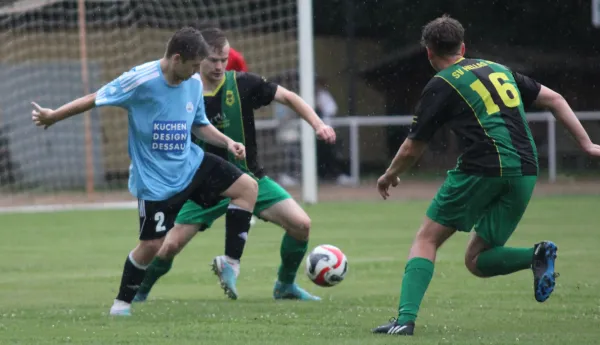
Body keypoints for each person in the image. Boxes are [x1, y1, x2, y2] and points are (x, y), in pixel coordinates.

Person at [372, 15, 600, 336]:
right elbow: (555, 99)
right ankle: (536, 256)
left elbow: (412, 147)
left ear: (428, 52)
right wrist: (587, 144)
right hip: (525, 169)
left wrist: (389, 176)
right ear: (463, 47)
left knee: (427, 238)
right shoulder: (497, 69)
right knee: (477, 260)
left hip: (484, 166)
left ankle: (404, 320)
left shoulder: (442, 83)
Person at [30, 27, 259, 316]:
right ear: (177, 59)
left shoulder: (192, 82)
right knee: (152, 245)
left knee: (247, 188)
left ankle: (230, 263)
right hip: (155, 181)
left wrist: (227, 142)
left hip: (191, 164)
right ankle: (121, 304)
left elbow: (198, 123)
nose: (194, 74)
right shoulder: (140, 80)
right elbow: (94, 98)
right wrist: (53, 116)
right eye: (191, 67)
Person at [133, 27, 336, 302]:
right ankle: (138, 293)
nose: (219, 66)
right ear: (199, 58)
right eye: (213, 60)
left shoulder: (242, 84)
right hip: (202, 185)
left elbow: (288, 97)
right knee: (169, 246)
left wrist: (318, 124)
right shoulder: (182, 91)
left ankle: (285, 286)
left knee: (301, 225)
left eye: (224, 60)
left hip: (249, 179)